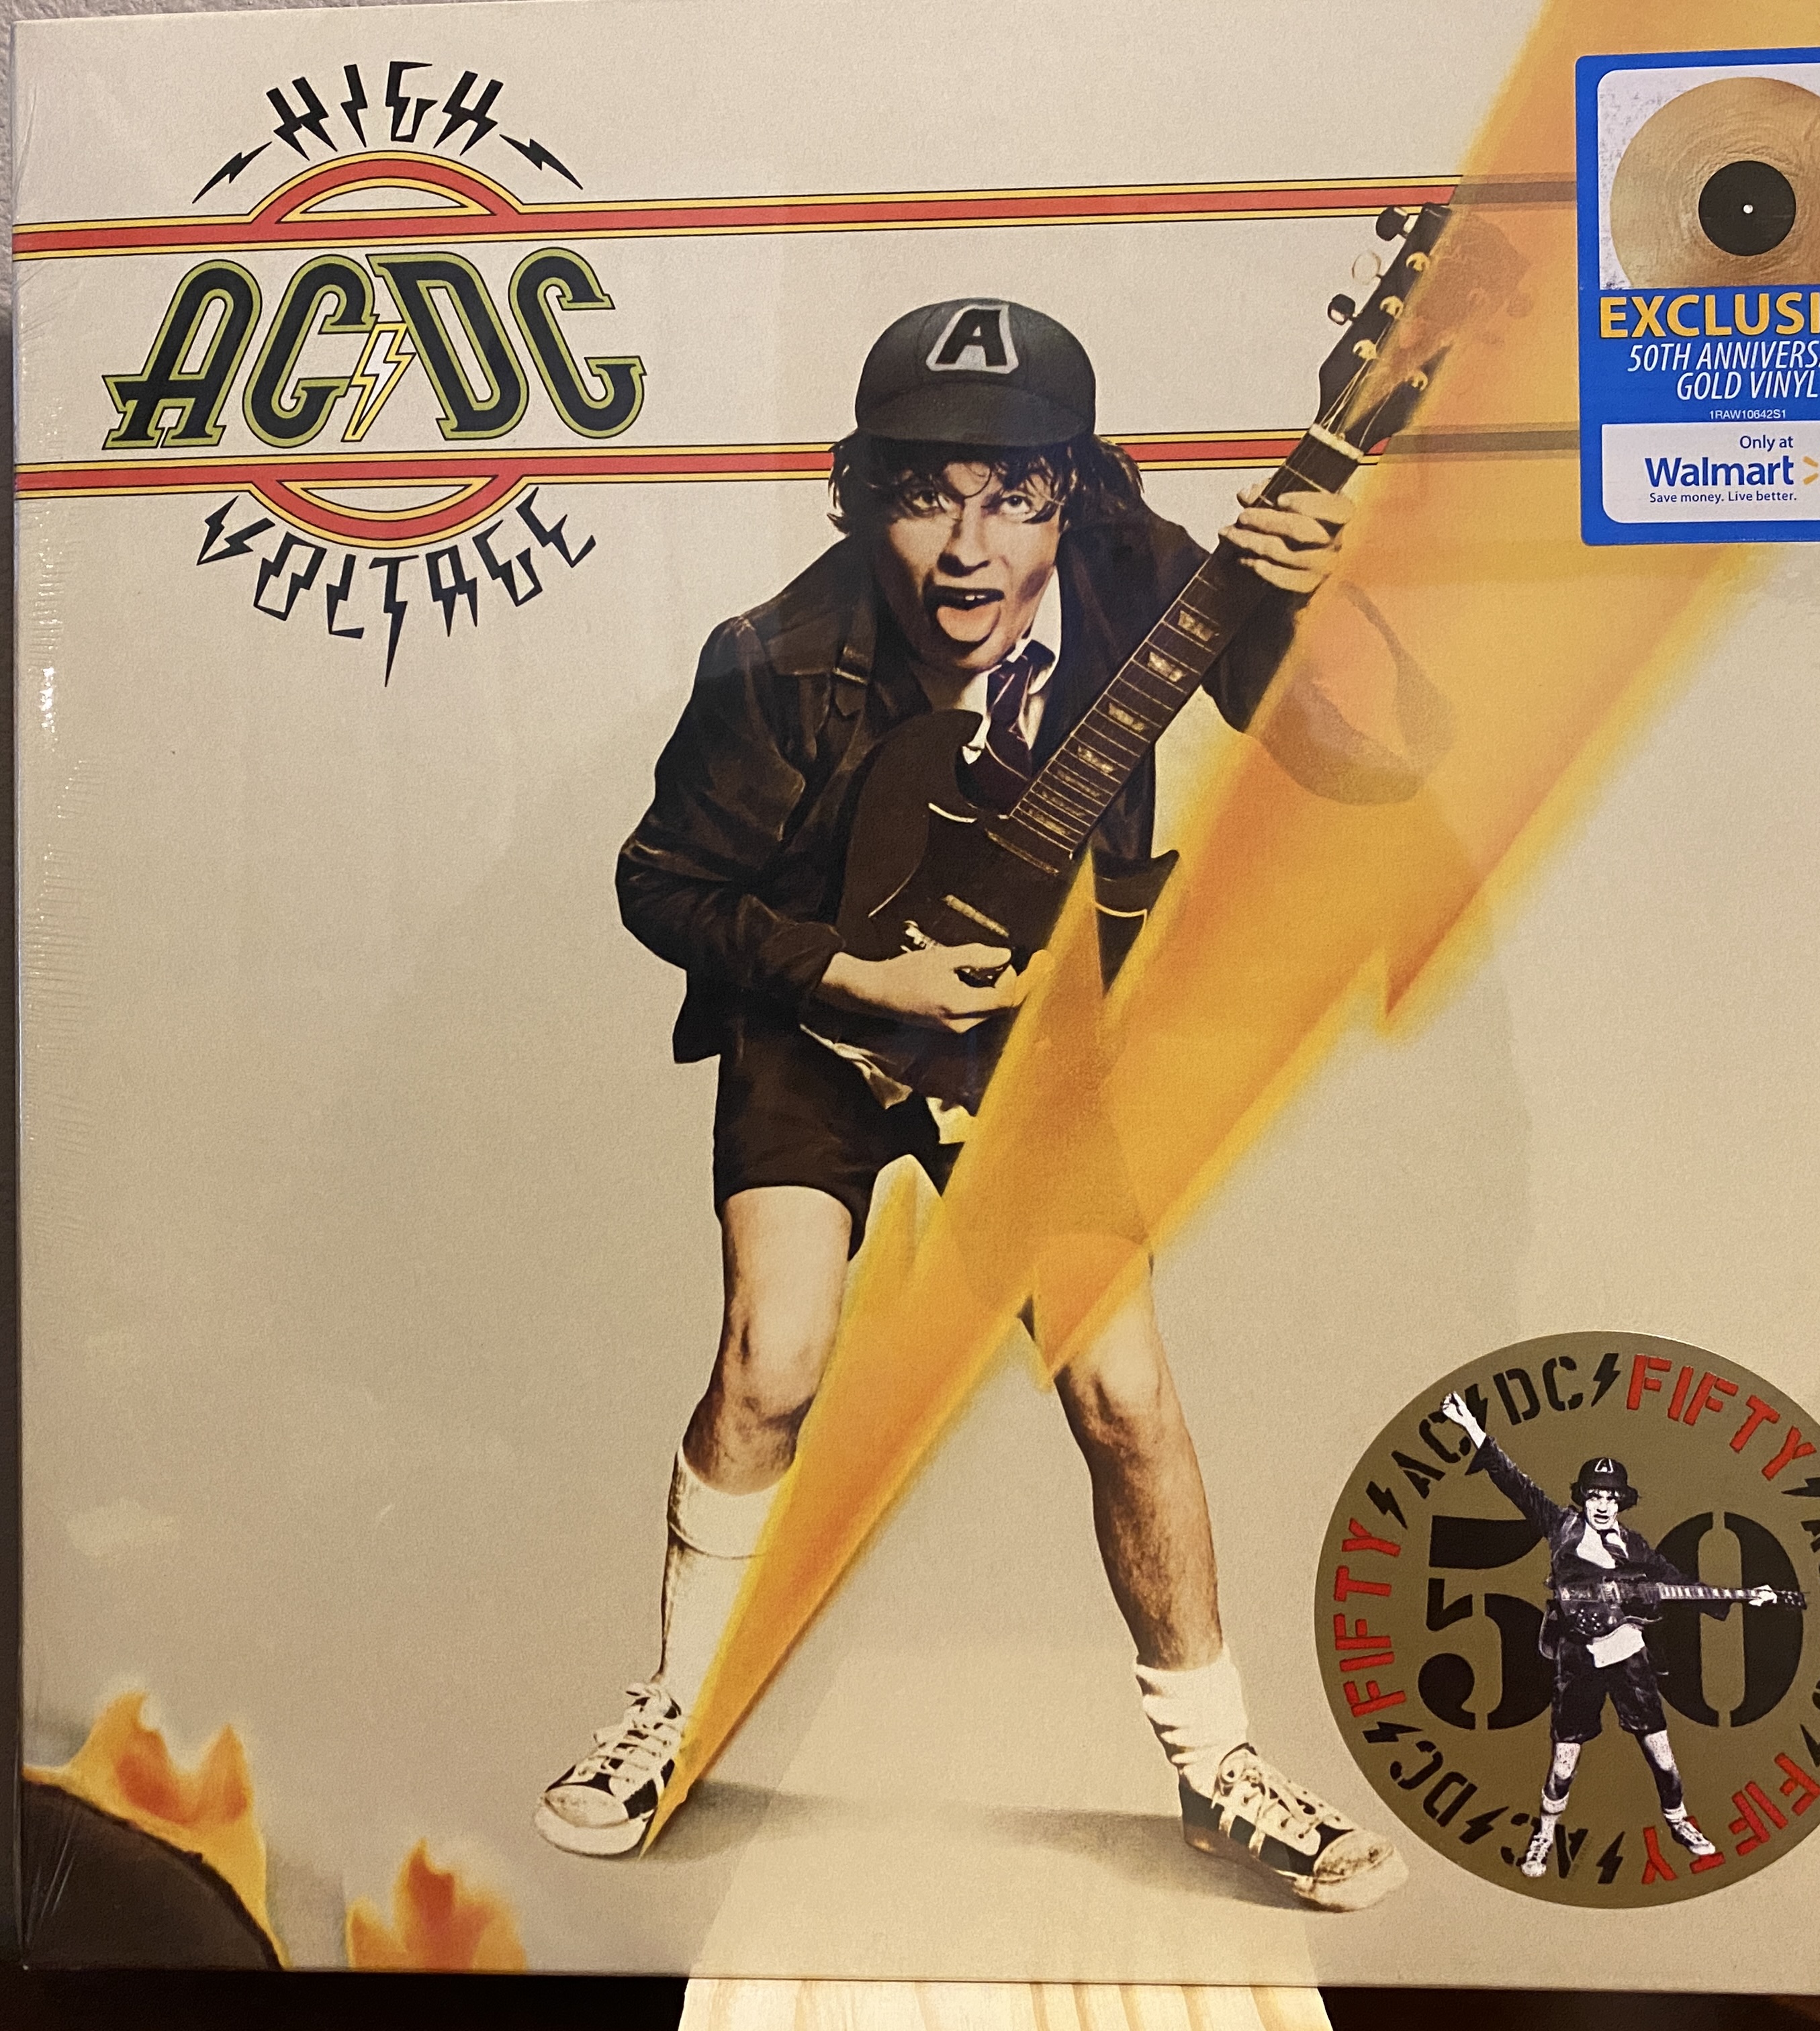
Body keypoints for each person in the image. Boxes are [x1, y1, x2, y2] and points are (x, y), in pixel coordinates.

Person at [533, 297, 1406, 1911]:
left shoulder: (1155, 579)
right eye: (926, 496)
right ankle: (670, 1717)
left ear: (1075, 490)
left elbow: (1371, 763)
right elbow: (662, 883)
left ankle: (1219, 1770)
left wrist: (1313, 606)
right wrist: (850, 977)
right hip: (824, 1006)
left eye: (1014, 496)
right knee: (774, 1356)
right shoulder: (777, 657)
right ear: (865, 494)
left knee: (1126, 1399)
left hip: (1028, 1034)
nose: (967, 546)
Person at [1436, 1392, 1776, 1877]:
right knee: (1564, 1763)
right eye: (1595, 1495)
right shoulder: (1562, 1527)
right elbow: (1514, 1482)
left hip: (1630, 1656)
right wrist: (1471, 1425)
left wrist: (1745, 1596)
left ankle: (1679, 1821)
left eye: (1611, 1497)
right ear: (1584, 1498)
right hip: (1577, 1659)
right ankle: (1544, 1835)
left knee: (1662, 1755)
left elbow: (1682, 1585)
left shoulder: (1635, 1546)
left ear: (1621, 1502)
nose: (1602, 1505)